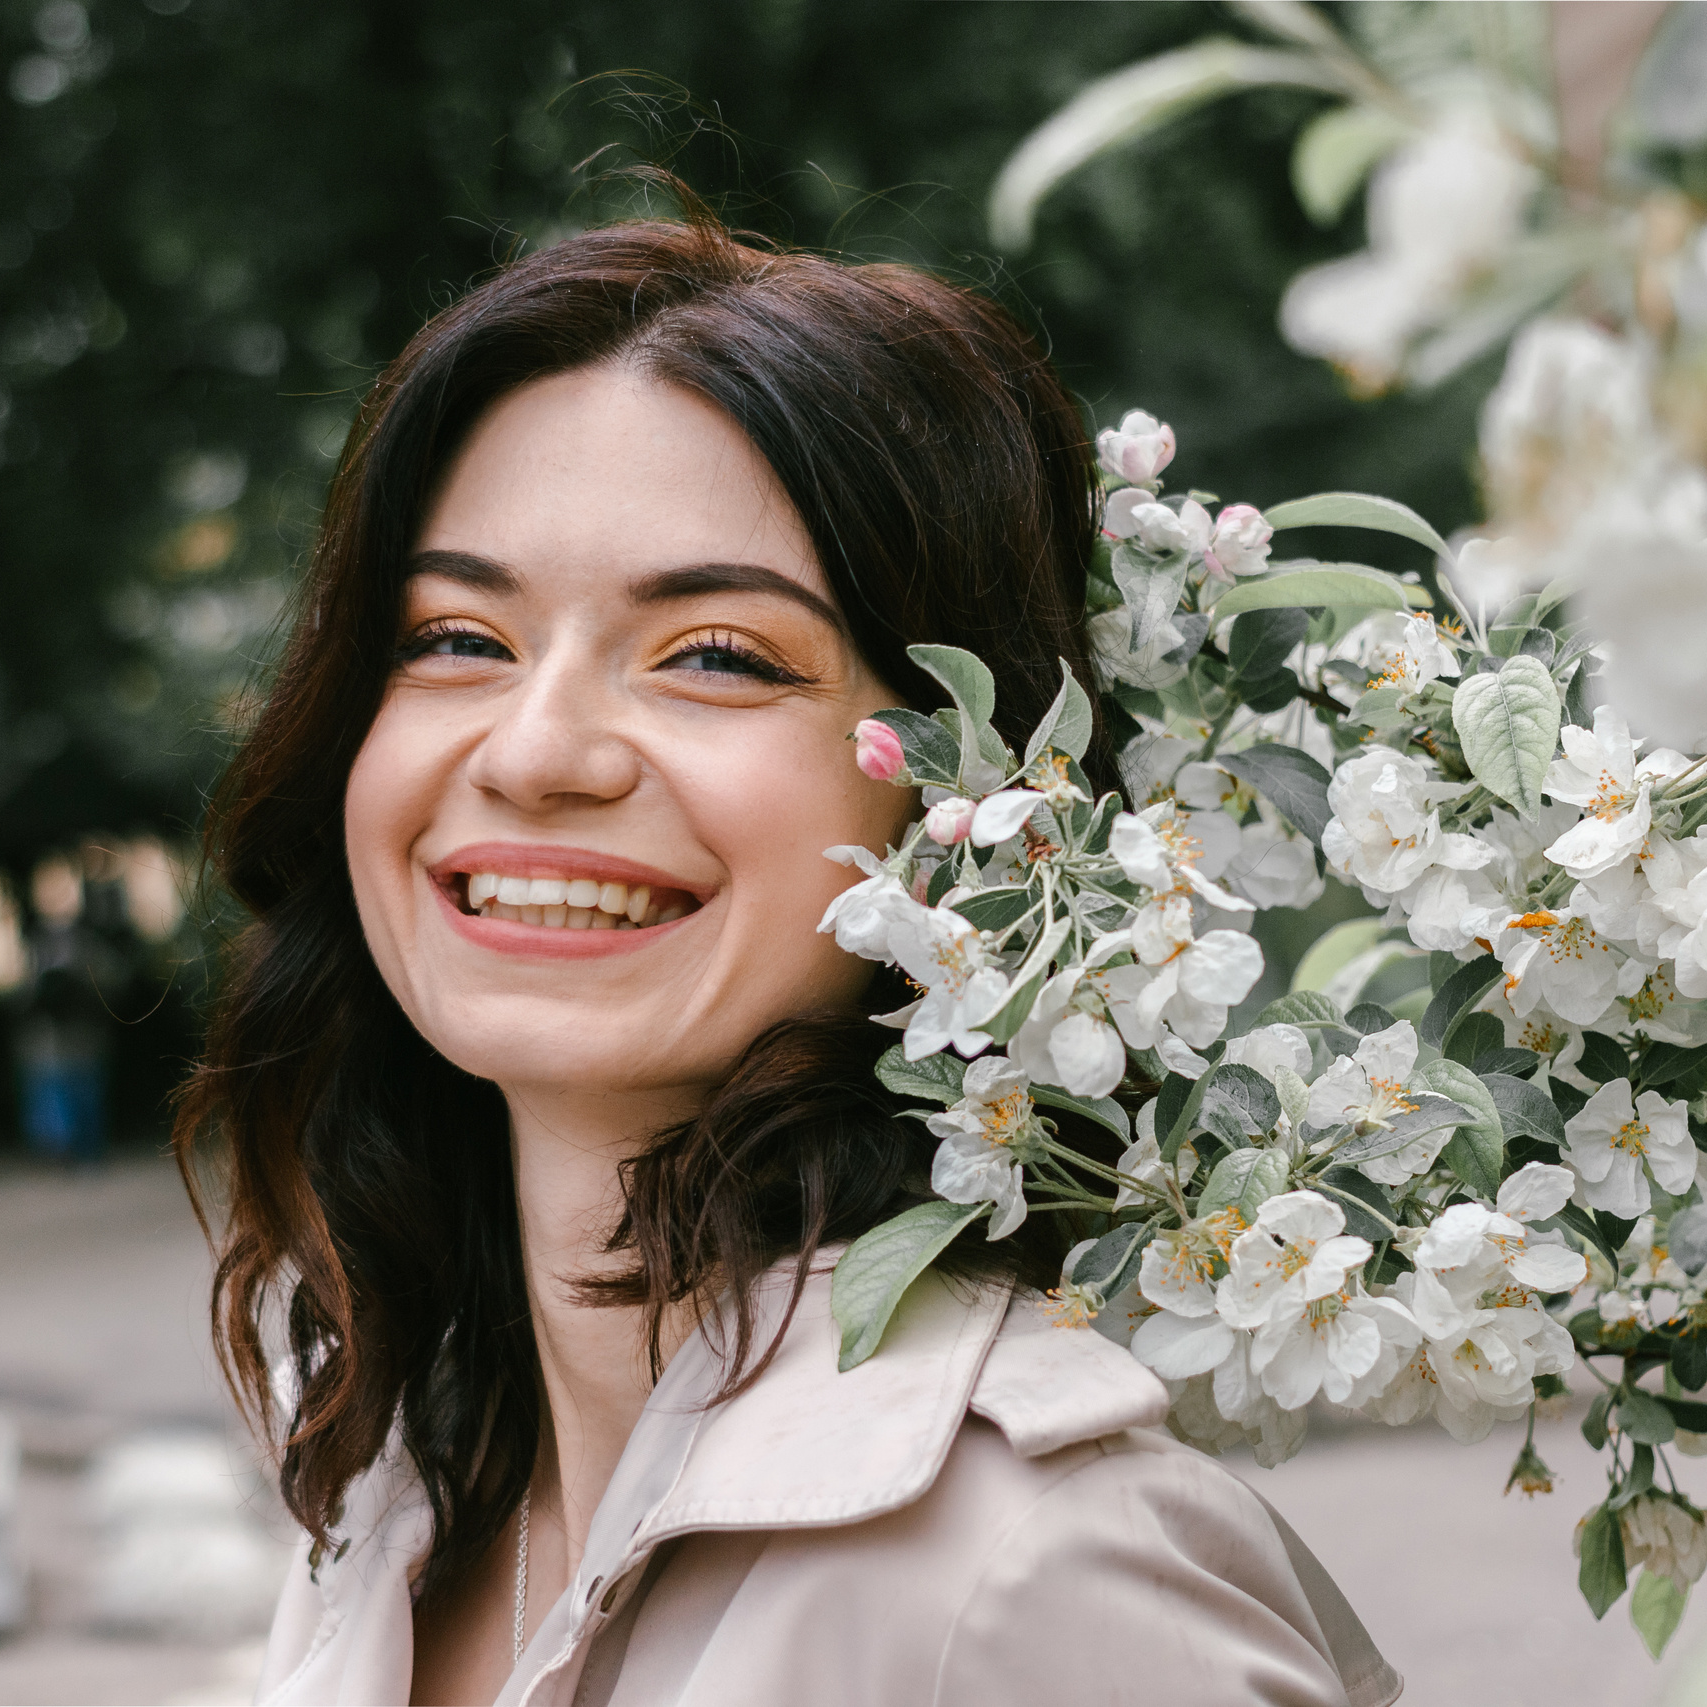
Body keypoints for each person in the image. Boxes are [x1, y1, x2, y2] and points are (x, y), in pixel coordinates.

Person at [176, 206, 1398, 1707]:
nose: (538, 747)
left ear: (974, 808)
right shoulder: (393, 1506)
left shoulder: (1033, 1572)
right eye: (454, 638)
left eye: (717, 657)